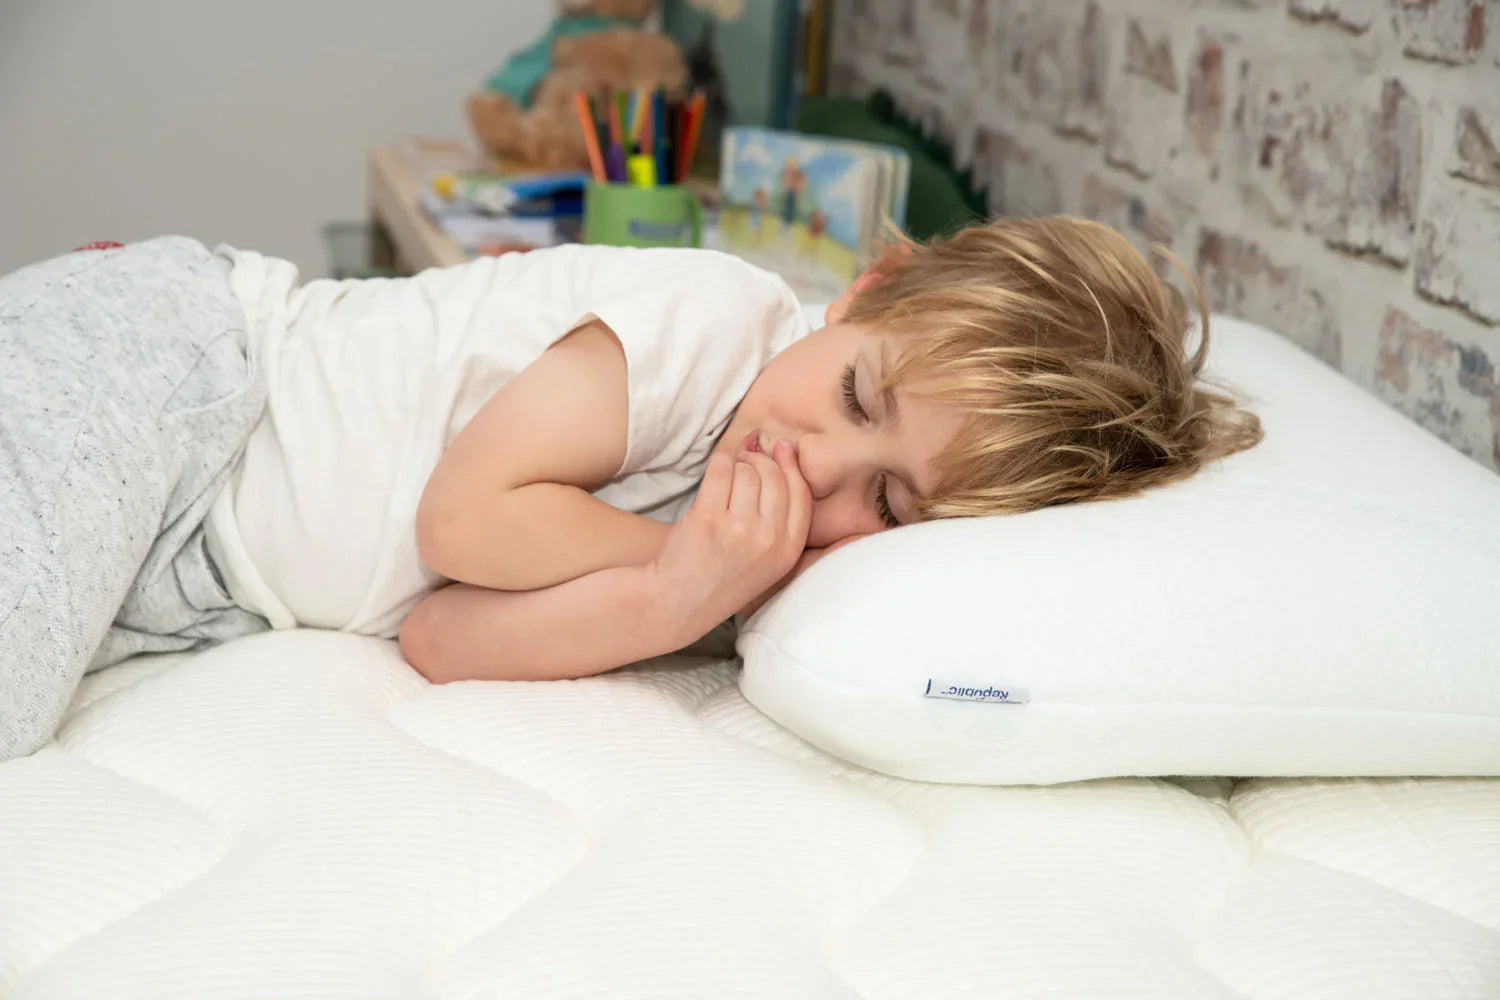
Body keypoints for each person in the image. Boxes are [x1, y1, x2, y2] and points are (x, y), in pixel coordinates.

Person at [0, 216, 1262, 760]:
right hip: (190, 378)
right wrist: (673, 585)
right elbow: (461, 520)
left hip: (207, 571)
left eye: (886, 505)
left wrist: (678, 607)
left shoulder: (738, 559)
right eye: (858, 399)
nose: (816, 469)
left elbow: (440, 631)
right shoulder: (706, 325)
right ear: (868, 290)